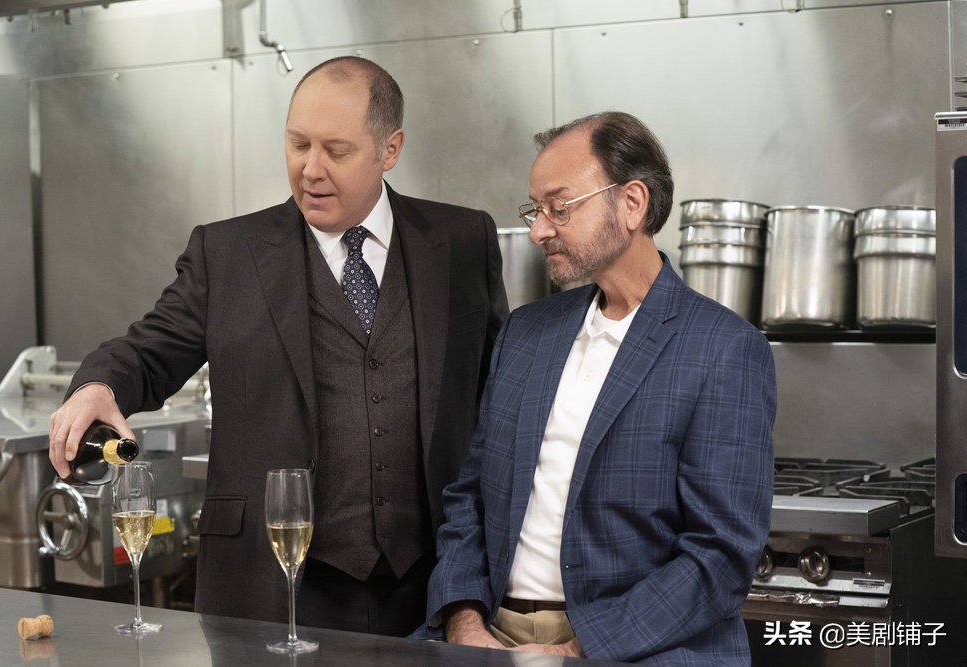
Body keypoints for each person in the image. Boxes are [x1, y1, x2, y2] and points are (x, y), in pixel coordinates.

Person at [48, 55, 509, 636]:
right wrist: (98, 385)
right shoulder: (226, 254)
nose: (311, 169)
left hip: (432, 583)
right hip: (271, 583)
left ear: (390, 149)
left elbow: (505, 390)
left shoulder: (463, 241)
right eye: (298, 145)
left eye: (336, 151)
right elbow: (148, 350)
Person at [417, 111, 776, 664]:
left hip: (631, 647)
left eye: (559, 207)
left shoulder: (723, 348)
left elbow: (720, 557)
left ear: (631, 203)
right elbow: (469, 498)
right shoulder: (526, 332)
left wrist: (575, 649)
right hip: (490, 631)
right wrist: (464, 621)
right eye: (535, 210)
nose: (539, 230)